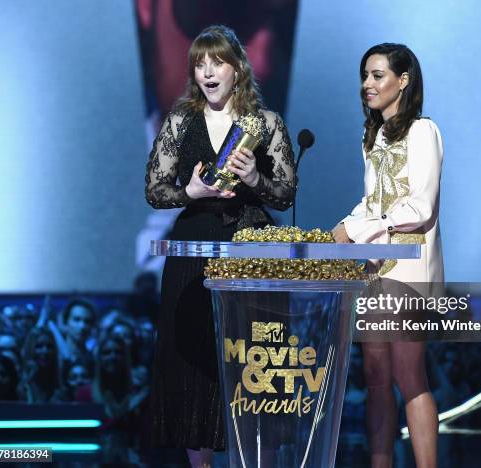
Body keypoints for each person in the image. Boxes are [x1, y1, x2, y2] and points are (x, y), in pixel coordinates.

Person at [145, 25, 295, 467]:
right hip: (195, 249)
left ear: (237, 70)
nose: (207, 71)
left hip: (250, 248)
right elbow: (155, 190)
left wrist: (254, 179)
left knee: (254, 358)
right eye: (199, 63)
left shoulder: (264, 124)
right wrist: (191, 192)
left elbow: (285, 194)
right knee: (194, 360)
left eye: (217, 62)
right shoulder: (180, 121)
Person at [333, 43, 443, 468]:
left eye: (377, 75)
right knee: (376, 379)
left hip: (411, 268)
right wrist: (341, 230)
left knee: (409, 377)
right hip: (374, 270)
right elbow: (372, 202)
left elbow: (421, 206)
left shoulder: (423, 131)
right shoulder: (374, 137)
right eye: (365, 75)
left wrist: (356, 230)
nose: (367, 85)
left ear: (404, 80)